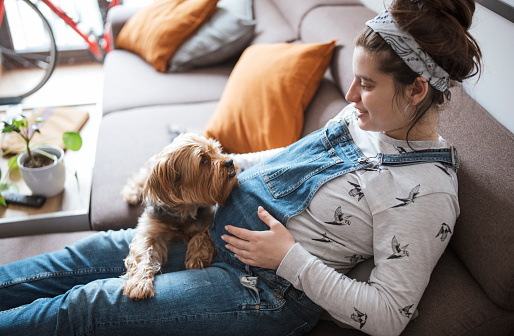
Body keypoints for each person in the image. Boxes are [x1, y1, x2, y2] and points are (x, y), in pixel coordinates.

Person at [0, 0, 481, 335]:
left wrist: (288, 257)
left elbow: (390, 316)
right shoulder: (368, 118)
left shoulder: (427, 193)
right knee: (81, 258)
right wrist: (220, 170)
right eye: (353, 81)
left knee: (89, 306)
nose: (351, 96)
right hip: (209, 230)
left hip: (263, 289)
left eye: (365, 84)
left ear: (417, 90)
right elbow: (289, 158)